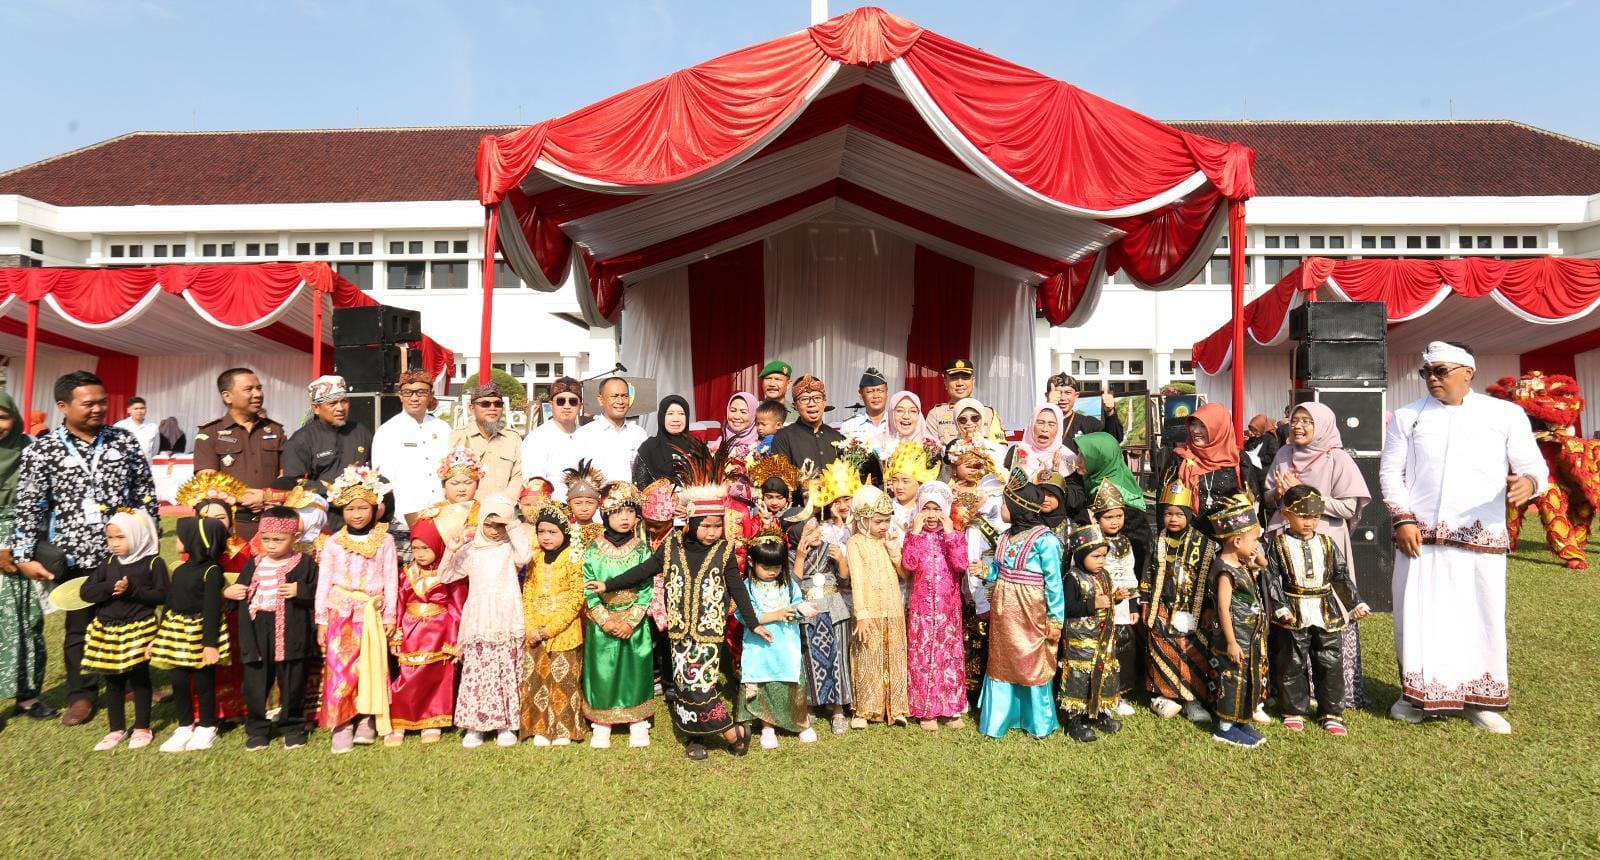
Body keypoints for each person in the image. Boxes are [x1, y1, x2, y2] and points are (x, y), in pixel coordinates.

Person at [1380, 341, 1547, 734]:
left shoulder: (1505, 414)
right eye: (1426, 373)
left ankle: (1479, 700)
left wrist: (1528, 482)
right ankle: (1415, 696)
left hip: (1481, 537)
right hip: (1420, 538)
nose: (1432, 379)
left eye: (1440, 371)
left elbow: (1533, 465)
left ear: (1468, 372)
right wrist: (1403, 519)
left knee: (1480, 617)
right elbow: (1390, 472)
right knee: (1418, 617)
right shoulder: (1408, 417)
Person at [14, 370, 159, 727]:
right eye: (88, 403)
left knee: (130, 620)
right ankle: (82, 695)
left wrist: (148, 542)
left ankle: (128, 684)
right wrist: (22, 556)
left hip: (124, 555)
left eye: (102, 402)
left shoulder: (122, 440)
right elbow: (30, 504)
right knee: (79, 629)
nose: (98, 409)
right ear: (63, 406)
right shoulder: (44, 449)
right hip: (74, 556)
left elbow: (145, 492)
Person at [591, 460, 761, 760]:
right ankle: (694, 738)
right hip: (680, 632)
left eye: (716, 525)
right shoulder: (671, 548)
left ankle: (731, 732)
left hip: (709, 634)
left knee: (703, 689)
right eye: (705, 525)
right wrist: (609, 584)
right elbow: (642, 571)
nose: (711, 531)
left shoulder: (723, 552)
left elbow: (738, 589)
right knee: (684, 688)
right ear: (692, 523)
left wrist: (753, 622)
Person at [1264, 400, 1374, 711]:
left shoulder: (1338, 459)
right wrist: (1278, 495)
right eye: (1295, 419)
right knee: (1287, 607)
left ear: (1322, 427)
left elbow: (1347, 507)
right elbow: (1269, 496)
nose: (1297, 426)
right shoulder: (1284, 454)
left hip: (1323, 543)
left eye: (1306, 422)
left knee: (1326, 611)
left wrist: (1305, 494)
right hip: (1286, 542)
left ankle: (1334, 690)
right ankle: (1290, 686)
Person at [1265, 485, 1370, 737]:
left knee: (1329, 662)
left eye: (1314, 516)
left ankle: (1331, 712)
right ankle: (1293, 710)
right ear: (1286, 514)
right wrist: (1279, 606)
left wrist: (1354, 603)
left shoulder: (1327, 543)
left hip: (1325, 611)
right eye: (1302, 515)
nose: (1309, 521)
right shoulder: (1278, 545)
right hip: (1293, 611)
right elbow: (1271, 578)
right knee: (1291, 662)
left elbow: (1340, 576)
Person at [314, 465, 398, 753]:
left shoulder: (385, 541)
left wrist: (389, 615)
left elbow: (390, 579)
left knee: (370, 668)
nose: (357, 514)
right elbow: (323, 582)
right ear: (341, 510)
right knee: (341, 669)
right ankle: (342, 722)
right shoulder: (334, 543)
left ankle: (365, 719)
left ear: (375, 508)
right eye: (351, 508)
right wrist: (321, 620)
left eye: (363, 507)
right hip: (340, 613)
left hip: (371, 614)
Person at [976, 471, 1065, 740]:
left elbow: (1054, 584)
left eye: (1004, 504)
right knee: (1002, 661)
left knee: (1032, 660)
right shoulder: (1004, 537)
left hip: (1031, 611)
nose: (1000, 509)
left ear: (1018, 508)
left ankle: (1038, 721)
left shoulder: (1046, 541)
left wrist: (1055, 619)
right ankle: (998, 720)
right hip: (1004, 612)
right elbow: (1000, 570)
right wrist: (985, 570)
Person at [438, 495, 529, 749]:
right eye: (489, 524)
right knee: (478, 671)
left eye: (499, 526)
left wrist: (511, 524)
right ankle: (475, 726)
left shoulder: (509, 548)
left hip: (506, 616)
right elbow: (445, 575)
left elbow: (526, 554)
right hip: (479, 619)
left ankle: (507, 725)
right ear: (480, 522)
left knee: (505, 670)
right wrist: (452, 548)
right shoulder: (471, 550)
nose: (494, 530)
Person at [226, 505, 318, 751]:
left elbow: (320, 593)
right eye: (266, 539)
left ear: (295, 538)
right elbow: (239, 590)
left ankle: (292, 726)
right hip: (257, 629)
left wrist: (301, 591)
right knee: (255, 681)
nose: (271, 544)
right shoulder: (254, 563)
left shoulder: (305, 563)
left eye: (278, 539)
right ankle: (257, 729)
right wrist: (230, 592)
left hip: (292, 628)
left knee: (292, 679)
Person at [80, 510, 166, 751]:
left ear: (137, 535)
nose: (115, 544)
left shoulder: (153, 563)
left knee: (139, 678)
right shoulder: (108, 563)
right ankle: (116, 729)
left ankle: (142, 727)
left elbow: (162, 595)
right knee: (113, 680)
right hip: (107, 628)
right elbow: (86, 592)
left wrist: (132, 591)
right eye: (110, 538)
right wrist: (108, 587)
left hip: (138, 626)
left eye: (121, 537)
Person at [1206, 495, 1287, 749]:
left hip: (1249, 638)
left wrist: (1254, 560)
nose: (1256, 546)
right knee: (1232, 680)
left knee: (1247, 678)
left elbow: (1263, 566)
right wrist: (1230, 641)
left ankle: (1241, 720)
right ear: (1237, 540)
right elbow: (1223, 607)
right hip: (1235, 638)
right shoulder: (1225, 570)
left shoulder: (1241, 563)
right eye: (1254, 541)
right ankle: (1225, 727)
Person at [580, 480, 655, 748]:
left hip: (633, 623)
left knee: (635, 668)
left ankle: (638, 720)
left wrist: (632, 621)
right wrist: (605, 619)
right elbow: (588, 589)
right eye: (618, 512)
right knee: (603, 671)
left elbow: (647, 588)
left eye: (631, 511)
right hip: (604, 622)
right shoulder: (592, 550)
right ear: (605, 514)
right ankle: (602, 722)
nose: (625, 518)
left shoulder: (642, 549)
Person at [149, 516, 231, 753]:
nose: (176, 542)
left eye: (180, 537)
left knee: (204, 682)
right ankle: (185, 725)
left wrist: (210, 644)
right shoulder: (181, 570)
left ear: (196, 540)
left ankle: (207, 726)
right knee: (179, 681)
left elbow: (213, 608)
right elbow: (170, 604)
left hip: (201, 632)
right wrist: (157, 637)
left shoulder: (212, 571)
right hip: (176, 632)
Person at [1140, 478, 1216, 723]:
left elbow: (1212, 581)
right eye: (1168, 514)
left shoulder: (1204, 544)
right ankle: (1163, 697)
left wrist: (1209, 608)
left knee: (1191, 653)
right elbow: (1148, 572)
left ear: (1189, 514)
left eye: (1178, 514)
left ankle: (1193, 700)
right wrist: (1144, 601)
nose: (1172, 519)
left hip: (1192, 608)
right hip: (1161, 606)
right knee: (1161, 650)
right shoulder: (1157, 539)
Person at [385, 516, 464, 746]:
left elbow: (457, 607)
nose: (419, 554)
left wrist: (452, 640)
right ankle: (401, 719)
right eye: (416, 548)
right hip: (411, 632)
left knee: (435, 678)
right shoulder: (406, 573)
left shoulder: (449, 575)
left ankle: (432, 721)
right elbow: (398, 603)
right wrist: (397, 634)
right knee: (408, 675)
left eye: (426, 548)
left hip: (439, 633)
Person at [739, 530, 817, 749]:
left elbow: (796, 605)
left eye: (777, 567)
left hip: (786, 646)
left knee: (793, 683)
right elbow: (746, 614)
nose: (773, 572)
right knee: (763, 683)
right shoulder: (747, 587)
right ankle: (767, 727)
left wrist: (803, 609)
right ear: (752, 562)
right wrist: (778, 614)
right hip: (760, 647)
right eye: (766, 567)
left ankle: (800, 723)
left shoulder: (789, 585)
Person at [900, 481, 968, 731]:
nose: (931, 515)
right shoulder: (913, 536)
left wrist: (950, 534)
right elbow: (909, 563)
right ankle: (925, 709)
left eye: (937, 509)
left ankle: (951, 708)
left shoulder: (955, 536)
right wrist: (915, 534)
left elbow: (961, 565)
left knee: (948, 655)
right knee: (923, 655)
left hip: (948, 609)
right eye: (926, 508)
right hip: (921, 609)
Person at [518, 500, 587, 746]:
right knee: (536, 679)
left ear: (564, 532)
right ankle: (539, 727)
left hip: (564, 631)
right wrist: (531, 627)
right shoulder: (534, 558)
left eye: (552, 532)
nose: (545, 537)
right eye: (541, 532)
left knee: (563, 681)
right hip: (535, 629)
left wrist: (550, 629)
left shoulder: (573, 557)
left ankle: (564, 729)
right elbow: (527, 592)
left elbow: (576, 597)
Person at [0, 391, 51, 720]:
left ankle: (27, 695)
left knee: (27, 618)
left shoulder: (30, 448)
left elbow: (42, 498)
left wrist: (17, 545)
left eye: (3, 416)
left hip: (24, 538)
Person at [791, 477, 854, 735]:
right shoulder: (792, 554)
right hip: (809, 610)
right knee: (810, 658)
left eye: (817, 529)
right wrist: (801, 557)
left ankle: (838, 709)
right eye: (809, 532)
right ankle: (811, 705)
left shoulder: (831, 547)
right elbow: (794, 581)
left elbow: (844, 579)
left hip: (834, 608)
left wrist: (841, 561)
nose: (816, 534)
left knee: (837, 657)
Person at [194, 367, 284, 541]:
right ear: (227, 396)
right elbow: (206, 478)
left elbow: (286, 475)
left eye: (259, 388)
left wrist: (264, 496)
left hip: (271, 523)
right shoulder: (210, 432)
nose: (257, 394)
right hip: (230, 525)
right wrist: (242, 496)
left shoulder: (275, 430)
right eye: (249, 389)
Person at [845, 484, 908, 728]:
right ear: (863, 519)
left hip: (892, 607)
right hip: (868, 610)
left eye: (886, 521)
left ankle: (897, 707)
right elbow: (857, 581)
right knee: (868, 656)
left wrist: (895, 552)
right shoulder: (855, 542)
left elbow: (905, 575)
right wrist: (861, 614)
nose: (884, 526)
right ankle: (865, 709)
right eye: (878, 521)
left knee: (895, 656)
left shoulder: (888, 541)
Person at [1058, 523, 1121, 743]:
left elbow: (1106, 599)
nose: (1101, 561)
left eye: (1104, 556)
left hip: (1103, 638)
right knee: (1080, 677)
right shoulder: (1072, 578)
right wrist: (1093, 604)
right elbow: (1068, 608)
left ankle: (1100, 712)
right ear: (1082, 554)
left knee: (1103, 673)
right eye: (1096, 556)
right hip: (1080, 642)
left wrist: (1117, 597)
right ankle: (1075, 718)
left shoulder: (1104, 575)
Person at [372, 370, 451, 535]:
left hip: (441, 517)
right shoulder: (387, 431)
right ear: (400, 396)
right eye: (408, 393)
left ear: (431, 395)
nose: (414, 398)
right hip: (404, 519)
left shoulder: (443, 428)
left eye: (421, 392)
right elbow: (381, 481)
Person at [1087, 480, 1141, 717]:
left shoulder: (1125, 542)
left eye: (1118, 516)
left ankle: (1118, 694)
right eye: (1108, 517)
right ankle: (1099, 693)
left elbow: (1129, 573)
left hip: (1121, 608)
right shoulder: (1090, 541)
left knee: (1123, 649)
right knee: (1100, 650)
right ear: (1096, 518)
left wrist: (1131, 604)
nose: (1115, 521)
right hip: (1099, 606)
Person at [1167, 402, 1255, 529]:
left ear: (1219, 428)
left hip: (1230, 537)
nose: (1196, 431)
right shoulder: (1180, 457)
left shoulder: (1238, 458)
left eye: (1203, 426)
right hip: (1192, 539)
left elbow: (1252, 501)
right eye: (1193, 424)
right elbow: (1165, 505)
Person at [281, 375, 374, 485]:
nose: (340, 408)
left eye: (344, 401)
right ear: (316, 408)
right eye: (332, 403)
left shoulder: (361, 432)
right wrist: (332, 492)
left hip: (361, 500)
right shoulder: (301, 440)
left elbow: (376, 471)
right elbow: (295, 484)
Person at [448, 383, 524, 502]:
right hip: (467, 511)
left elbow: (518, 476)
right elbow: (448, 477)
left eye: (498, 404)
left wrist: (503, 503)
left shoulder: (513, 438)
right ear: (472, 408)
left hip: (503, 510)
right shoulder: (458, 437)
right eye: (485, 404)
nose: (492, 408)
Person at [521, 377, 587, 501]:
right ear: (551, 404)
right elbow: (534, 485)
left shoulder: (588, 436)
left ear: (580, 405)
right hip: (552, 512)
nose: (567, 406)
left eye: (573, 401)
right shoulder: (537, 439)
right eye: (561, 401)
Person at [576, 377, 648, 488]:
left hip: (633, 503)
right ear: (600, 400)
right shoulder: (584, 435)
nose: (620, 401)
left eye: (624, 396)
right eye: (614, 396)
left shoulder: (639, 434)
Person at [771, 375, 845, 472]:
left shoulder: (838, 438)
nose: (811, 404)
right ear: (795, 406)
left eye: (817, 398)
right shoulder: (783, 438)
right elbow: (780, 478)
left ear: (824, 402)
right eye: (804, 399)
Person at [926, 359, 1006, 445]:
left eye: (965, 378)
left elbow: (1001, 449)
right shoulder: (936, 414)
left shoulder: (989, 414)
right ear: (945, 382)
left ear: (973, 381)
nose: (960, 383)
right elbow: (930, 451)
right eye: (954, 378)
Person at [1044, 373, 1122, 451]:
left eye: (1068, 393)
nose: (1063, 398)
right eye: (1058, 393)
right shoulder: (1037, 422)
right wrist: (1049, 407)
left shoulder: (1087, 423)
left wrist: (1110, 412)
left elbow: (1112, 442)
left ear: (1076, 395)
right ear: (1047, 395)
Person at [632, 394, 696, 486]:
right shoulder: (649, 448)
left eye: (681, 413)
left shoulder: (696, 447)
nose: (676, 419)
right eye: (670, 413)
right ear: (662, 417)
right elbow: (640, 487)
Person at [1005, 403, 1075, 482]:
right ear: (1031, 425)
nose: (1045, 429)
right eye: (1040, 423)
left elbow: (1075, 492)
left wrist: (1055, 476)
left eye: (1051, 424)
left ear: (1059, 429)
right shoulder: (1016, 451)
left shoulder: (1068, 459)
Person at [876, 390, 937, 461]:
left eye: (913, 411)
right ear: (891, 414)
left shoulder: (931, 445)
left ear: (919, 415)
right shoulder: (877, 444)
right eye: (900, 410)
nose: (906, 416)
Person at [839, 368, 891, 442]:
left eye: (880, 391)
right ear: (861, 394)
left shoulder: (896, 422)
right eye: (870, 391)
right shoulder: (849, 425)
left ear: (887, 392)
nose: (876, 396)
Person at [710, 391, 760, 461]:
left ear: (753, 415)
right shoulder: (718, 444)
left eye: (743, 412)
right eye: (733, 411)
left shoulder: (761, 445)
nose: (736, 416)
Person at [113, 396, 160, 461]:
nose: (139, 411)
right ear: (129, 410)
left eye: (142, 408)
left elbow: (155, 449)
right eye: (136, 408)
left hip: (146, 465)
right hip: (126, 465)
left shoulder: (153, 427)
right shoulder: (120, 426)